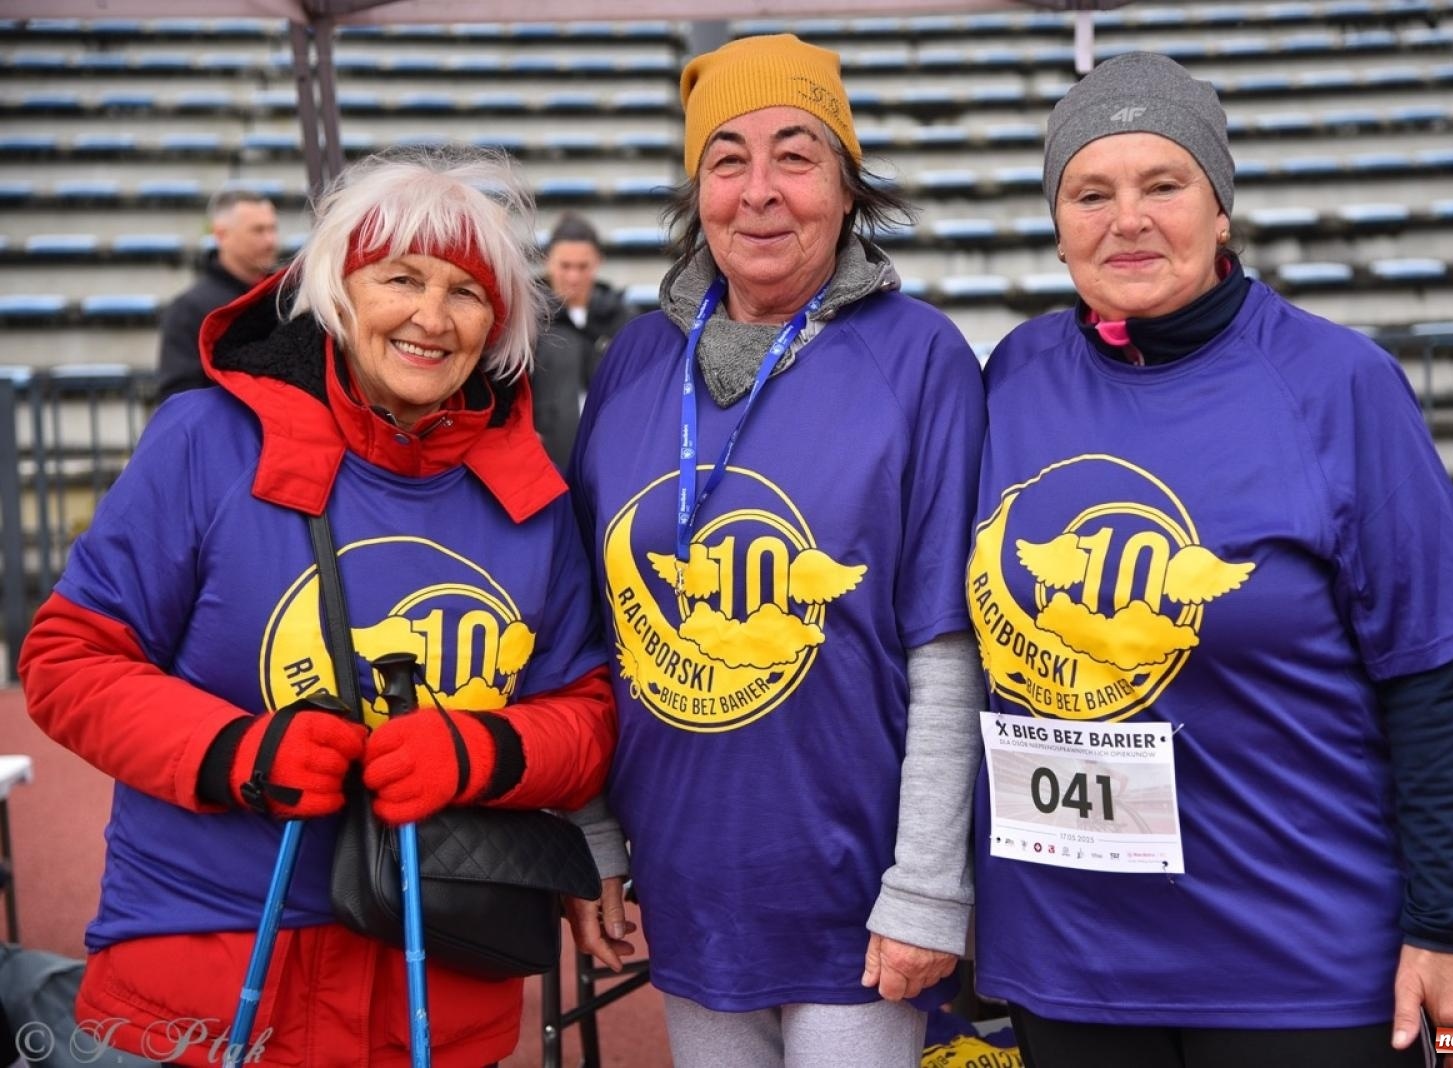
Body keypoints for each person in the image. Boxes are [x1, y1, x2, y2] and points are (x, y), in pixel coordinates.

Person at [966, 52, 1453, 1068]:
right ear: (1056, 226)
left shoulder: (1338, 384)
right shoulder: (1014, 375)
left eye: (1162, 185)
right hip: (1066, 955)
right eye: (1090, 192)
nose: (1125, 220)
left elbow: (1435, 679)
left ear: (1219, 209)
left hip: (1293, 962)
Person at [18, 146, 616, 1067]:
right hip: (207, 974)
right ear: (339, 288)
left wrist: (481, 750)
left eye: (467, 292)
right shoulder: (206, 442)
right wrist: (237, 752)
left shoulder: (532, 498)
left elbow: (585, 711)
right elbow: (68, 657)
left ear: (498, 322)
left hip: (439, 983)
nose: (430, 316)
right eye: (401, 278)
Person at [562, 33, 987, 1067]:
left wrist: (928, 884)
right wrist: (596, 837)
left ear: (847, 190)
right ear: (694, 191)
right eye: (727, 160)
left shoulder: (917, 355)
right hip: (689, 882)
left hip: (856, 893)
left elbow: (945, 639)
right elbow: (584, 622)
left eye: (796, 157)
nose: (759, 192)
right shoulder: (635, 357)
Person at [155, 187, 280, 403]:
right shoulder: (189, 309)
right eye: (258, 231)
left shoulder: (286, 298)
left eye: (272, 229)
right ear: (221, 235)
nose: (270, 241)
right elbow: (180, 396)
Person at [532, 212, 634, 470]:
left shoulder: (622, 318)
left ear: (597, 263)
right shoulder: (528, 320)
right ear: (548, 262)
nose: (574, 277)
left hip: (611, 459)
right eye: (565, 266)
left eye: (582, 266)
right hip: (544, 463)